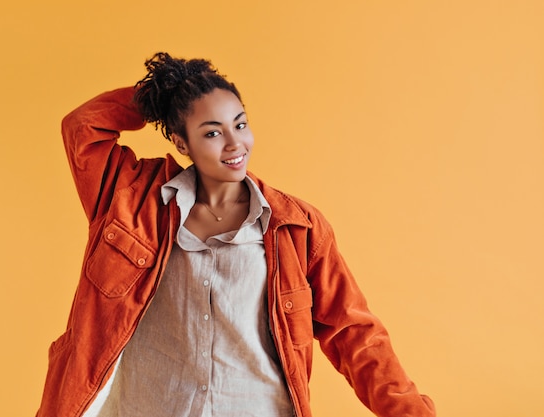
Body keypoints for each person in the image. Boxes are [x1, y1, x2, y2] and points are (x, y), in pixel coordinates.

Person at [36, 52, 436, 417]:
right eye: (212, 132)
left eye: (240, 124)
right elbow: (82, 127)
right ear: (181, 142)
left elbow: (354, 333)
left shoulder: (297, 228)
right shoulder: (131, 198)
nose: (234, 144)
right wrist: (164, 95)